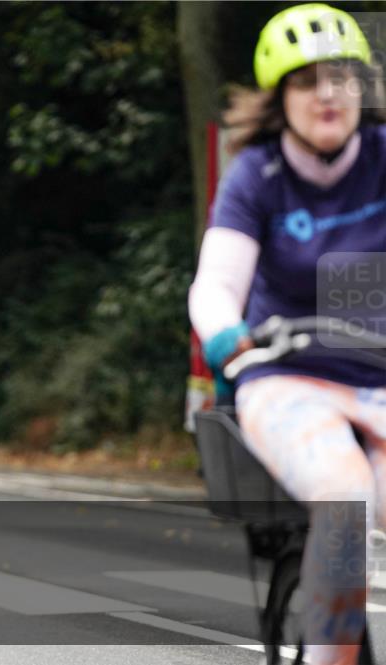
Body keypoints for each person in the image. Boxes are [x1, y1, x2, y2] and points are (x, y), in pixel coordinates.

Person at [189, 5, 385, 664]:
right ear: (280, 99)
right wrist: (228, 341)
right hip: (287, 377)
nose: (329, 93)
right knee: (345, 492)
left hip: (379, 376)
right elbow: (215, 284)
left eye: (342, 76)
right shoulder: (257, 176)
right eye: (307, 81)